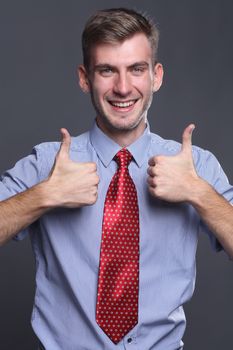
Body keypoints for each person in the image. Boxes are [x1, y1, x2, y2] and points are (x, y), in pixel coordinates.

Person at [0, 7, 233, 350]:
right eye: (107, 70)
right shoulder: (49, 163)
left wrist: (198, 192)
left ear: (156, 76)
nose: (123, 88)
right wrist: (43, 195)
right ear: (84, 78)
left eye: (136, 69)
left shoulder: (194, 165)